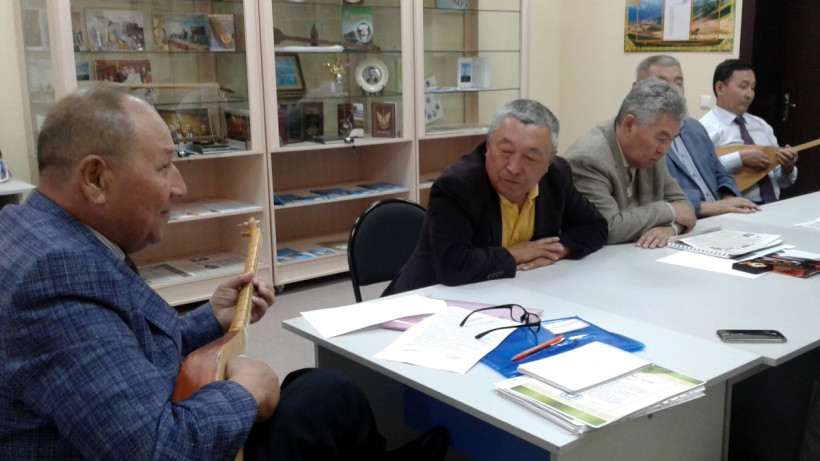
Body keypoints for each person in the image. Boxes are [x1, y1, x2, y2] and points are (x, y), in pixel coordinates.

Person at [0, 83, 447, 460]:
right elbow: (158, 449)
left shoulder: (32, 230)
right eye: (164, 166)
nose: (180, 185)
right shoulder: (55, 276)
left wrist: (210, 319)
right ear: (95, 178)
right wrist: (244, 395)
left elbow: (122, 348)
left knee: (314, 389)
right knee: (325, 398)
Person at [383, 99, 607, 296]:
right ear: (488, 146)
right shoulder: (457, 185)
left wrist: (559, 250)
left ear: (549, 162)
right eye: (506, 152)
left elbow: (595, 226)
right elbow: (453, 266)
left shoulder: (557, 176)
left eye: (530, 158)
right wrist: (516, 253)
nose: (514, 168)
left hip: (513, 295)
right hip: (426, 299)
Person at [564, 78, 696, 248]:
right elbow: (607, 228)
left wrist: (670, 229)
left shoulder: (653, 153)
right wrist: (669, 211)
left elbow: (685, 208)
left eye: (671, 139)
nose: (665, 149)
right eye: (661, 138)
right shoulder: (588, 158)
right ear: (629, 125)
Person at [635, 55, 760, 218]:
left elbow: (720, 171)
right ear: (637, 88)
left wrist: (729, 200)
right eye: (661, 83)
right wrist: (713, 207)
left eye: (678, 83)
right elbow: (654, 195)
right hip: (682, 222)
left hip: (722, 216)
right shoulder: (637, 136)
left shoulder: (694, 128)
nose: (672, 91)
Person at [699, 59, 798, 204]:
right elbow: (701, 172)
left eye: (752, 88)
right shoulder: (704, 129)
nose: (749, 94)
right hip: (735, 209)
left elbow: (781, 182)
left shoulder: (761, 125)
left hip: (774, 204)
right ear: (720, 88)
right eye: (743, 87)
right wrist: (739, 159)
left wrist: (787, 169)